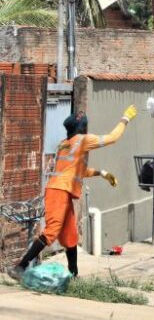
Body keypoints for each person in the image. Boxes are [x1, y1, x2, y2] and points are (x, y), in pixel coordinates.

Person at [7, 105, 137, 280]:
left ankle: (73, 275)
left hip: (63, 190)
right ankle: (20, 267)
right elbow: (112, 138)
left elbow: (77, 171)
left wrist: (102, 174)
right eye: (85, 125)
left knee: (70, 236)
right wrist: (125, 118)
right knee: (52, 231)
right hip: (58, 191)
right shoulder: (83, 140)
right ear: (82, 127)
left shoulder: (65, 144)